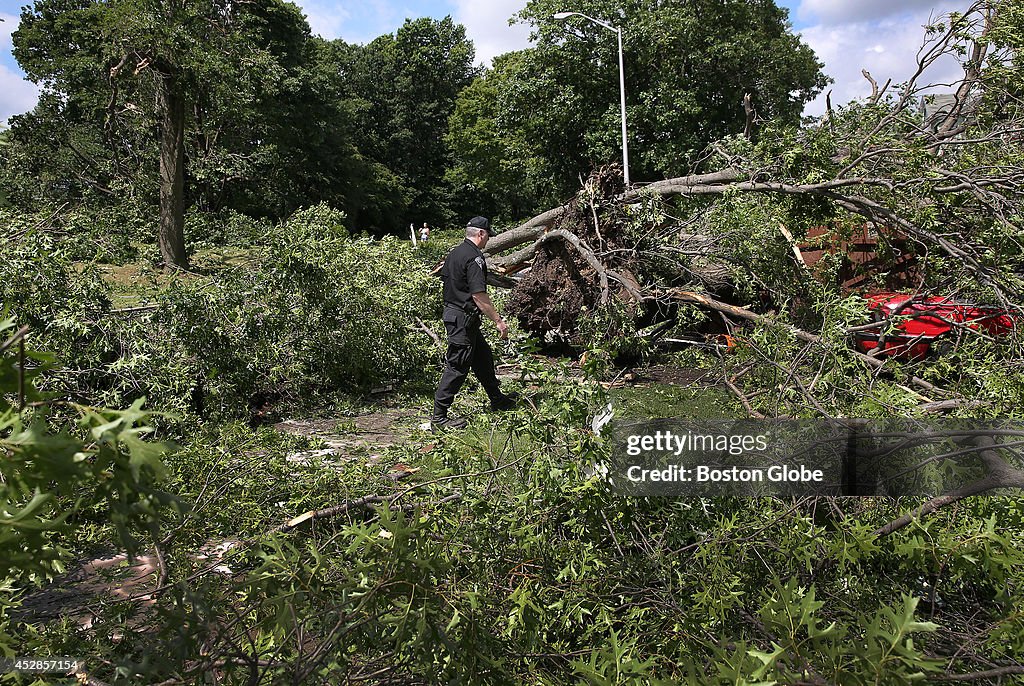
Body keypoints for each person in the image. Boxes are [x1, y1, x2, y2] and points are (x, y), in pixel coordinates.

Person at [431, 216, 518, 430]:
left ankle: (497, 399)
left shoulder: (454, 253)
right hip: (462, 317)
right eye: (488, 235)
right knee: (457, 366)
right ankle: (439, 418)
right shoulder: (474, 258)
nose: (488, 240)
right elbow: (479, 295)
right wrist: (498, 321)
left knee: (483, 359)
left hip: (457, 315)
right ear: (481, 234)